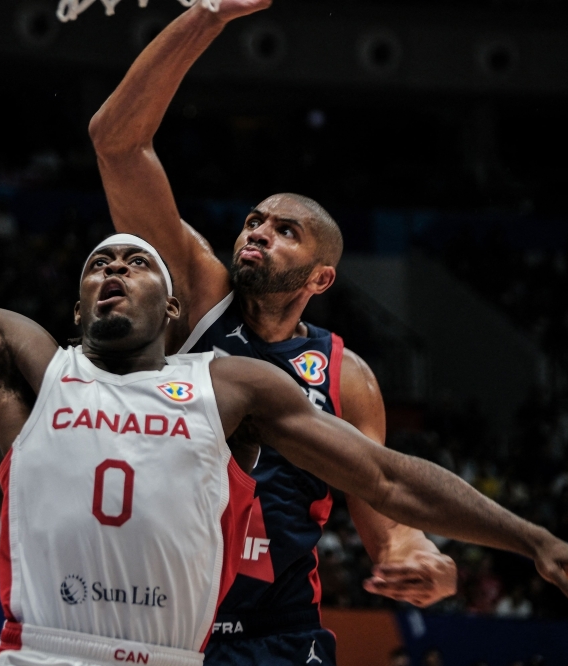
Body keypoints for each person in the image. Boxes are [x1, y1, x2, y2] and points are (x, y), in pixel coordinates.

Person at [0, 99, 568, 666]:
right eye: (98, 263)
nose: (114, 267)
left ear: (175, 307)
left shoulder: (230, 388)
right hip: (41, 654)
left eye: (136, 263)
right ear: (77, 310)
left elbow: (384, 477)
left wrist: (531, 537)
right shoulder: (33, 366)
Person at [88, 0, 456, 661]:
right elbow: (117, 141)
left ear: (321, 279)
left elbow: (383, 518)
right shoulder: (198, 292)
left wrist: (418, 554)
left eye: (287, 232)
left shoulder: (346, 375)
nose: (260, 231)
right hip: (161, 621)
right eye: (256, 219)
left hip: (277, 635)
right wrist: (206, 15)